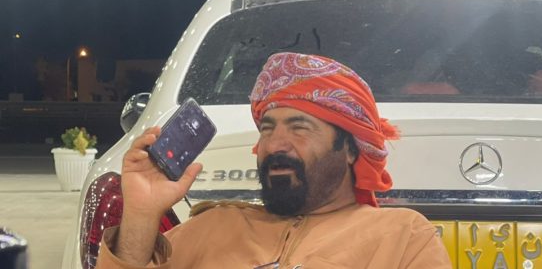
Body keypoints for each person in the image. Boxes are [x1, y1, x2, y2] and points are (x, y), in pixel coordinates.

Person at [96, 52, 451, 268]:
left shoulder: (401, 236)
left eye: (300, 128)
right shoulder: (214, 227)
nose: (275, 144)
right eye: (267, 129)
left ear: (349, 149)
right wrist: (141, 214)